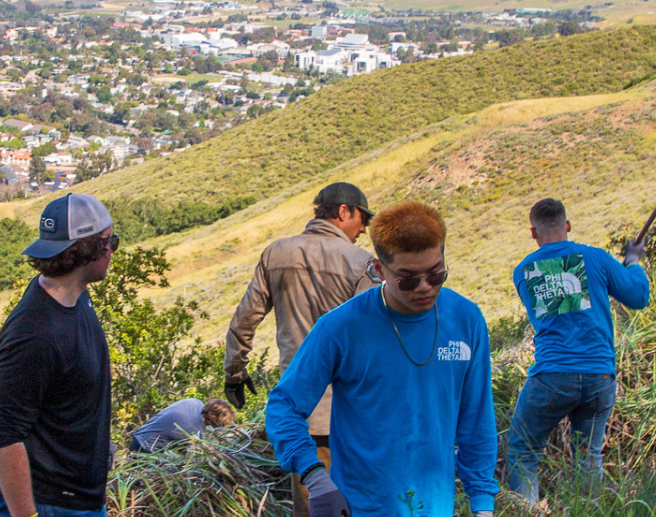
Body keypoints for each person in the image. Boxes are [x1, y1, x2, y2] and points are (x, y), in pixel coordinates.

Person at [264, 201, 499, 517]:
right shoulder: (341, 328)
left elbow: (477, 419)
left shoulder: (466, 320)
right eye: (408, 279)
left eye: (436, 273)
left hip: (436, 506)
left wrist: (482, 504)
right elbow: (283, 406)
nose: (425, 288)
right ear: (379, 270)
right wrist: (314, 475)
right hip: (362, 507)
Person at [223, 182, 376, 517]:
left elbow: (244, 320)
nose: (364, 228)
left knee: (312, 507)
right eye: (362, 218)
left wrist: (234, 373)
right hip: (353, 415)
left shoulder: (276, 253)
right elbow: (376, 337)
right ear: (343, 212)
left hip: (302, 415)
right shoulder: (361, 262)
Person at [504, 198, 650, 502]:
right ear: (567, 225)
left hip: (552, 377)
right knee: (588, 457)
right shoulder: (595, 258)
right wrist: (633, 260)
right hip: (599, 377)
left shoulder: (523, 271)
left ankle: (527, 510)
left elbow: (556, 306)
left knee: (523, 449)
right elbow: (637, 296)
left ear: (533, 233)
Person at [0, 193, 120, 517]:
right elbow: (5, 432)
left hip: (78, 496)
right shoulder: (35, 333)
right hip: (50, 503)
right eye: (111, 241)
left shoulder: (74, 299)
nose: (114, 250)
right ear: (91, 249)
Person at [125, 398, 236, 453]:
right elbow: (190, 456)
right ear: (213, 417)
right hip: (145, 449)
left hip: (139, 436)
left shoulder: (195, 402)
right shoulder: (193, 429)